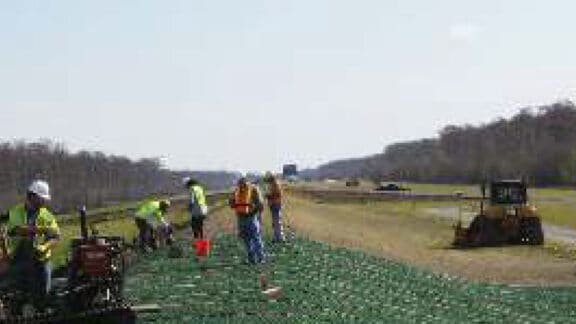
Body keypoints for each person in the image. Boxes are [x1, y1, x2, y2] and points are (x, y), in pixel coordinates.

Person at [4, 180, 60, 302]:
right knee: (15, 292)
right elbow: (17, 230)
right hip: (18, 259)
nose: (45, 201)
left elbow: (56, 237)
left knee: (43, 294)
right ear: (32, 196)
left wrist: (45, 247)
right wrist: (43, 229)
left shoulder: (48, 215)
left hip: (41, 260)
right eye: (42, 198)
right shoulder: (15, 212)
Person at [229, 177, 265, 264]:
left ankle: (251, 258)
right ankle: (260, 258)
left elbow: (231, 204)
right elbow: (260, 204)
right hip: (251, 217)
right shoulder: (254, 189)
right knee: (256, 237)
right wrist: (258, 213)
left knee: (246, 239)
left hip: (240, 217)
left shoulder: (236, 191)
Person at [264, 173, 285, 242]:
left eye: (269, 180)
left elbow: (274, 194)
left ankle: (280, 237)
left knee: (277, 221)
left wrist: (267, 195)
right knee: (275, 221)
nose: (268, 182)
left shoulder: (275, 185)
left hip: (276, 204)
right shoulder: (274, 185)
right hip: (274, 204)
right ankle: (276, 236)